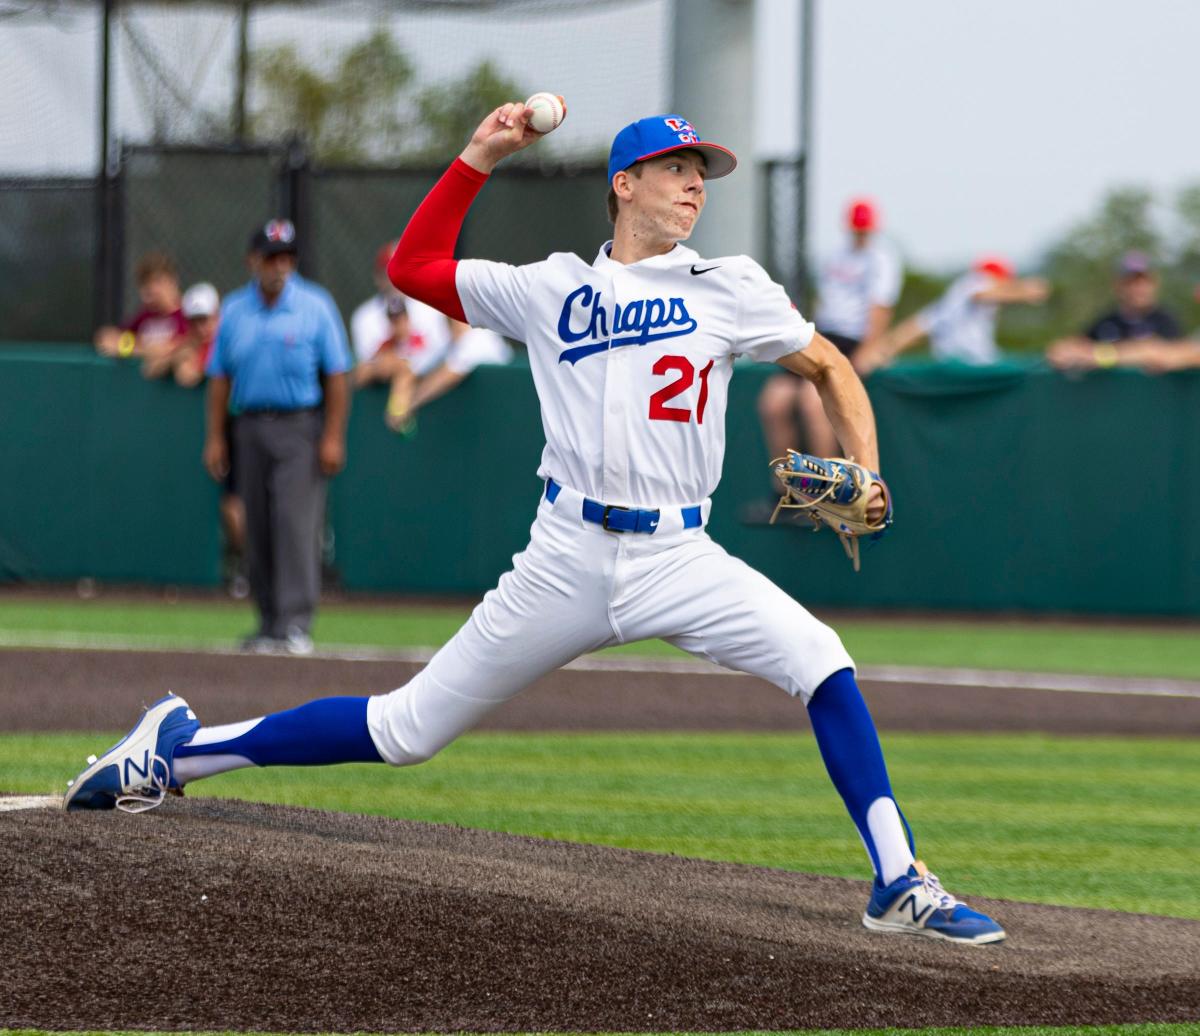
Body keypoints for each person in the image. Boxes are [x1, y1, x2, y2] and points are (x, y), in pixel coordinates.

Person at [63, 106, 1004, 946]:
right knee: (406, 729)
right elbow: (410, 268)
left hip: (680, 552)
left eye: (701, 174)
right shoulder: (548, 288)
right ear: (623, 184)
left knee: (821, 659)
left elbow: (833, 368)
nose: (694, 187)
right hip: (566, 555)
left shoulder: (730, 284)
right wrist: (479, 153)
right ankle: (174, 750)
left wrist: (869, 469)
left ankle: (897, 881)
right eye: (677, 169)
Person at [200, 218, 350, 654]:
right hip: (248, 424)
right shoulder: (234, 309)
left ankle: (295, 624)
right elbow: (219, 377)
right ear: (253, 261)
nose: (279, 265)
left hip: (298, 425)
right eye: (271, 257)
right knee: (258, 524)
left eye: (286, 257)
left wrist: (333, 436)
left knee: (294, 523)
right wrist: (215, 436)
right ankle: (268, 623)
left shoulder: (315, 305)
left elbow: (337, 375)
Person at [758, 198, 902, 463]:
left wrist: (869, 350)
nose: (860, 235)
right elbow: (824, 301)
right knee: (774, 402)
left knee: (813, 403)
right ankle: (785, 490)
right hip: (825, 334)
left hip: (852, 339)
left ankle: (827, 491)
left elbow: (881, 307)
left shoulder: (882, 257)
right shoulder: (836, 254)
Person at [856, 256, 1048, 372]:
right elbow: (982, 293)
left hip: (962, 365)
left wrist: (884, 350)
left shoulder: (952, 304)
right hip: (970, 367)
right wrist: (1022, 291)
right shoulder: (975, 281)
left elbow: (919, 327)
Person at [1047, 251, 1185, 372]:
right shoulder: (1108, 320)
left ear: (1154, 284)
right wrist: (1065, 350)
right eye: (1130, 282)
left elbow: (1161, 353)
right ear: (1118, 285)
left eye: (1143, 282)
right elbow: (1077, 344)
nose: (1138, 289)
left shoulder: (1165, 320)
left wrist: (1101, 356)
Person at [93, 251, 188, 363]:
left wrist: (127, 349)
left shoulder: (188, 315)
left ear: (173, 282)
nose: (153, 289)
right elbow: (109, 338)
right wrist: (131, 344)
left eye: (158, 282)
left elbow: (172, 349)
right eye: (147, 284)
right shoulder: (145, 316)